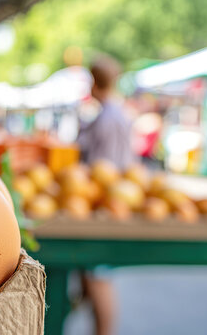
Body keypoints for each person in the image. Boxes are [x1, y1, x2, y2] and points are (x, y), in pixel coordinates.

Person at [76, 55, 134, 335]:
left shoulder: (107, 118)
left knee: (99, 276)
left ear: (95, 82)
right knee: (92, 276)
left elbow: (100, 171)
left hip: (106, 203)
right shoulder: (116, 113)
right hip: (113, 198)